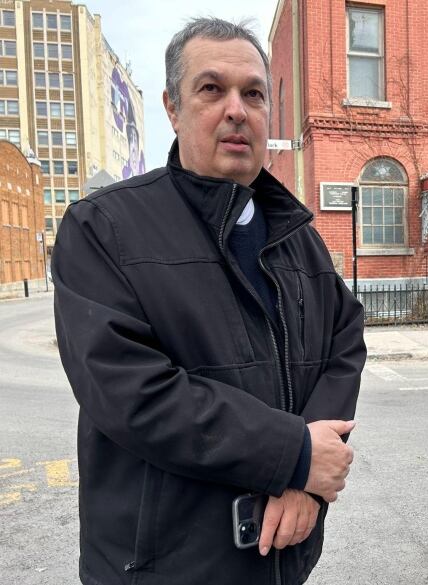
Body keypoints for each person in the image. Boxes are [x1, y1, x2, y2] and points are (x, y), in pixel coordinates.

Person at [53, 17, 365, 585]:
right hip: (162, 566)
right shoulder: (104, 228)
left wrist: (306, 480)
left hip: (281, 557)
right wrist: (294, 453)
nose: (237, 110)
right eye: (211, 89)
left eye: (253, 93)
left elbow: (344, 340)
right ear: (173, 109)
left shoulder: (296, 234)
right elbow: (131, 391)